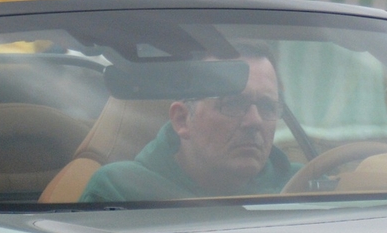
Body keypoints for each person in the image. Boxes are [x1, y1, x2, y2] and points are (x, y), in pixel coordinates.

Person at [80, 56, 295, 200]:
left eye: (268, 106)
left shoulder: (303, 185)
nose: (255, 121)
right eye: (232, 103)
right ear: (182, 120)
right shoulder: (120, 191)